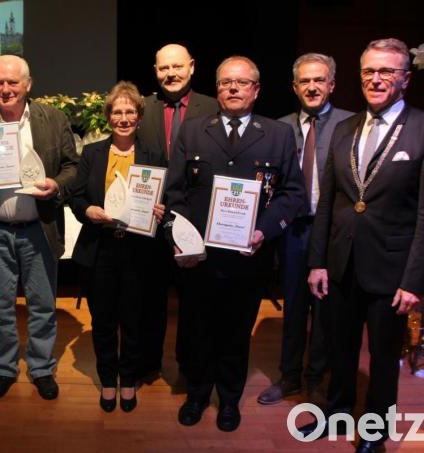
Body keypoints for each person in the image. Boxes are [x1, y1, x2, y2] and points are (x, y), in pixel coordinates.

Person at [297, 38, 424, 453]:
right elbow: (329, 204)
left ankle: (374, 431)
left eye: (386, 71)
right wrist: (318, 261)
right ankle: (336, 415)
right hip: (340, 263)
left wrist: (414, 281)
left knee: (384, 360)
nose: (376, 79)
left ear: (405, 79)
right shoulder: (344, 128)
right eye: (369, 71)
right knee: (340, 349)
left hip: (391, 271)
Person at [164, 56, 305, 432]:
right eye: (226, 82)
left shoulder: (277, 134)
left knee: (236, 331)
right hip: (199, 259)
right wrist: (182, 238)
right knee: (196, 329)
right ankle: (197, 394)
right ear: (217, 87)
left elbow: (293, 195)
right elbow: (175, 192)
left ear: (256, 90)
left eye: (242, 83)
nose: (233, 88)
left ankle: (228, 399)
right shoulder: (193, 131)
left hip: (249, 257)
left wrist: (263, 230)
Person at [0, 55, 79, 400]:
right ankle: (5, 368)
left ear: (28, 84)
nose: (5, 89)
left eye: (12, 82)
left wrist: (57, 184)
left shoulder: (53, 119)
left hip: (39, 227)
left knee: (42, 304)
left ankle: (40, 368)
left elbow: (72, 167)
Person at [257, 53, 353, 406]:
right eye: (305, 81)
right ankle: (289, 376)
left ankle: (317, 379)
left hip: (332, 231)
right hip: (293, 230)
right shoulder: (278, 128)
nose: (312, 87)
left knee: (326, 309)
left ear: (331, 84)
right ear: (295, 87)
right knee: (294, 305)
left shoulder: (351, 125)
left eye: (319, 80)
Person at [70, 81, 167, 412]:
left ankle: (129, 379)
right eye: (117, 111)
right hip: (101, 249)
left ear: (139, 117)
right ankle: (108, 379)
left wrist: (160, 208)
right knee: (104, 321)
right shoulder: (92, 153)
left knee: (134, 319)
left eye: (130, 111)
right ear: (108, 116)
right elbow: (77, 196)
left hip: (139, 252)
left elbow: (166, 198)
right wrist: (88, 210)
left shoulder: (154, 155)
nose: (123, 117)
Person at [136, 44, 218, 380]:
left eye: (177, 66)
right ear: (155, 71)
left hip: (195, 221)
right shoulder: (142, 108)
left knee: (194, 300)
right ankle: (148, 364)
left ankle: (189, 365)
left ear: (192, 67)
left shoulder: (213, 107)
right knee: (149, 298)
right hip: (150, 220)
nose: (170, 74)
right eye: (163, 68)